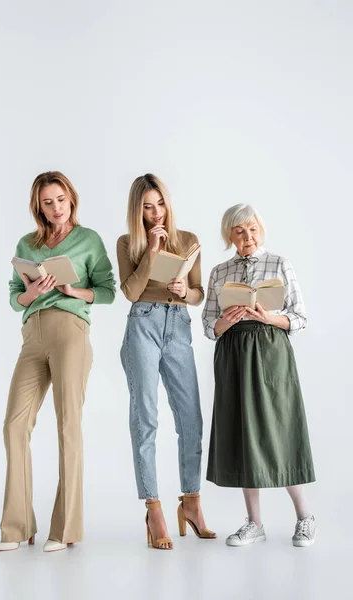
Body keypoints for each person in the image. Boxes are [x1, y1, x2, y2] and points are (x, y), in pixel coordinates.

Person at [0, 171, 115, 552]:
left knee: (68, 425)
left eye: (60, 199)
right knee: (14, 424)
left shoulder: (89, 240)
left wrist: (70, 289)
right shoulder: (27, 244)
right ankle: (17, 527)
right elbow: (14, 299)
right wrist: (30, 292)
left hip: (70, 330)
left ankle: (64, 530)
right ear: (38, 206)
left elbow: (108, 291)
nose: (55, 208)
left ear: (71, 199)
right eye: (47, 202)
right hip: (32, 335)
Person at [202, 203, 317, 547]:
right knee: (242, 431)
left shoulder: (280, 264)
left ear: (260, 230)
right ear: (229, 235)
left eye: (252, 229)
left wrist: (269, 317)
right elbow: (209, 324)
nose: (247, 236)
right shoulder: (220, 271)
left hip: (270, 349)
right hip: (233, 351)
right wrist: (224, 322)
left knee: (280, 428)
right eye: (239, 231)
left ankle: (305, 517)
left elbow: (299, 316)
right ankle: (254, 523)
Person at [117, 173, 216, 550]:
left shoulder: (188, 240)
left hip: (179, 324)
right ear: (137, 210)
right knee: (146, 417)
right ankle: (154, 508)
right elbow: (130, 292)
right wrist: (153, 254)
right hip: (142, 324)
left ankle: (191, 503)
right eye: (147, 206)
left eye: (160, 204)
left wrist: (184, 290)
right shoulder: (128, 242)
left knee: (190, 418)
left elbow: (198, 294)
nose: (156, 212)